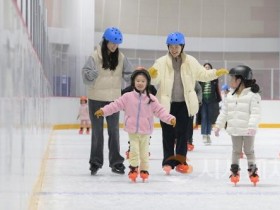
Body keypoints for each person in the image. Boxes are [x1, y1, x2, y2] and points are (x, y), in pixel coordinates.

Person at [148, 32, 229, 174]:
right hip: (167, 104)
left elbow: (203, 75)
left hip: (185, 104)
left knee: (182, 134)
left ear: (182, 46)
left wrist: (216, 73)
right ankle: (167, 162)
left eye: (177, 46)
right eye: (171, 47)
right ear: (168, 47)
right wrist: (152, 75)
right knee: (168, 133)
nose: (174, 49)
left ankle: (180, 162)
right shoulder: (161, 62)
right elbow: (155, 81)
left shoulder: (190, 61)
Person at [94, 69, 176, 182]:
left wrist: (170, 118)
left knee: (144, 153)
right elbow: (115, 105)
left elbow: (160, 111)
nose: (140, 83)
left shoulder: (151, 99)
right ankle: (133, 169)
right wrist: (103, 111)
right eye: (138, 80)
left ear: (147, 83)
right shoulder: (127, 97)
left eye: (143, 81)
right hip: (132, 131)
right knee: (134, 151)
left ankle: (144, 170)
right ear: (133, 82)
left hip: (146, 131)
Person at [81, 27, 133, 175]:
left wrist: (139, 78)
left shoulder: (121, 57)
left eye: (116, 44)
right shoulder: (94, 56)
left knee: (114, 132)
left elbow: (129, 74)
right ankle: (95, 162)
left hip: (113, 101)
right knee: (97, 132)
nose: (114, 46)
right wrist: (92, 74)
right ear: (105, 41)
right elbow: (85, 74)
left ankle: (116, 162)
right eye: (111, 43)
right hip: (96, 98)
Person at [214, 65, 261, 185]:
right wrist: (218, 125)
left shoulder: (253, 95)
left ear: (240, 80)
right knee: (236, 150)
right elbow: (224, 112)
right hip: (234, 129)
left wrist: (251, 127)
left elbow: (255, 113)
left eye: (232, 78)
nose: (230, 81)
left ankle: (253, 170)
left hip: (248, 130)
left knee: (249, 151)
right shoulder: (229, 96)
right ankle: (234, 171)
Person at [121, 66, 157, 159]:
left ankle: (144, 150)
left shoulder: (151, 88)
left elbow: (155, 99)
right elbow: (122, 98)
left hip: (146, 117)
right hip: (134, 117)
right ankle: (131, 150)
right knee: (133, 137)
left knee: (146, 137)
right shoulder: (129, 89)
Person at [198, 63, 222, 145]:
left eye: (208, 67)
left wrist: (218, 98)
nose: (207, 68)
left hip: (211, 100)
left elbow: (217, 89)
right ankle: (204, 135)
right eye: (205, 67)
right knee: (204, 117)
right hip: (203, 101)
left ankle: (208, 135)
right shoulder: (200, 78)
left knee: (210, 118)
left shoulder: (214, 78)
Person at [186, 81, 202, 151]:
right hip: (178, 104)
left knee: (189, 124)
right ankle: (176, 139)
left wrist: (198, 101)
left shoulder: (193, 80)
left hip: (190, 105)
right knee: (179, 124)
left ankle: (189, 140)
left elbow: (199, 89)